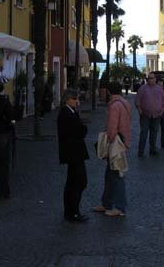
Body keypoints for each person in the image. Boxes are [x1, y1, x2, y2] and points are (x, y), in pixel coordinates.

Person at [93, 82, 132, 217]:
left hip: (116, 144)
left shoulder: (114, 106)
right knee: (110, 175)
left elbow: (112, 128)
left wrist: (107, 143)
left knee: (116, 175)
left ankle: (119, 207)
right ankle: (106, 203)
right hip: (123, 142)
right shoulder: (125, 103)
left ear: (109, 92)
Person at [57, 89, 90, 223]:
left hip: (73, 152)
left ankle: (70, 211)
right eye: (75, 99)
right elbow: (80, 131)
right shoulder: (67, 114)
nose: (78, 101)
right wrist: (83, 128)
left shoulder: (70, 112)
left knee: (73, 182)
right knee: (79, 182)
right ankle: (73, 212)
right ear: (68, 100)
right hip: (73, 153)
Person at [135, 72, 164, 156]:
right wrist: (139, 110)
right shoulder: (142, 88)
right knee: (144, 133)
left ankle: (152, 149)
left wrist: (162, 110)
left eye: (152, 78)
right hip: (145, 114)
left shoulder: (159, 89)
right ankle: (141, 151)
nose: (150, 80)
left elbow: (163, 101)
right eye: (149, 78)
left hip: (157, 115)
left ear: (155, 79)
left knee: (154, 133)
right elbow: (137, 100)